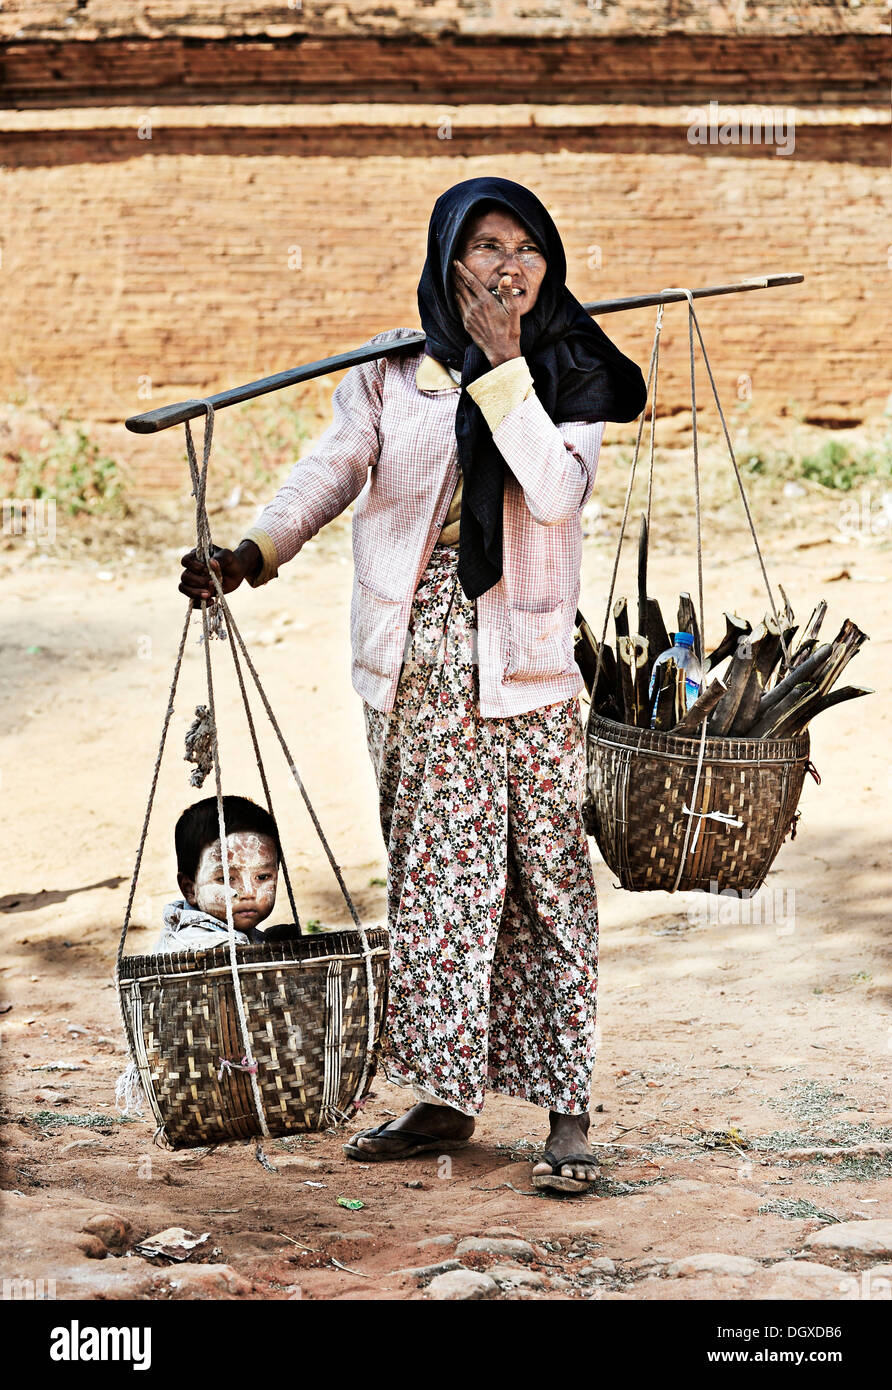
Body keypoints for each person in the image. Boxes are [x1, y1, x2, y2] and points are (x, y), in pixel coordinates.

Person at [179, 177, 647, 1192]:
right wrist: (251, 552)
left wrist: (508, 370)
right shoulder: (393, 371)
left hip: (523, 674)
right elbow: (330, 468)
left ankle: (566, 1111)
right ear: (448, 258)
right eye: (485, 245)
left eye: (526, 248)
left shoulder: (571, 370)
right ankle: (443, 1097)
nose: (506, 266)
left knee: (543, 884)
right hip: (412, 670)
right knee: (437, 891)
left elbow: (556, 493)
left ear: (549, 264)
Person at [156, 794, 288, 951]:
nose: (248, 892)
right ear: (189, 889)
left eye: (262, 877)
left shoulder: (232, 932)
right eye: (225, 879)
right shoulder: (200, 945)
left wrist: (270, 939)